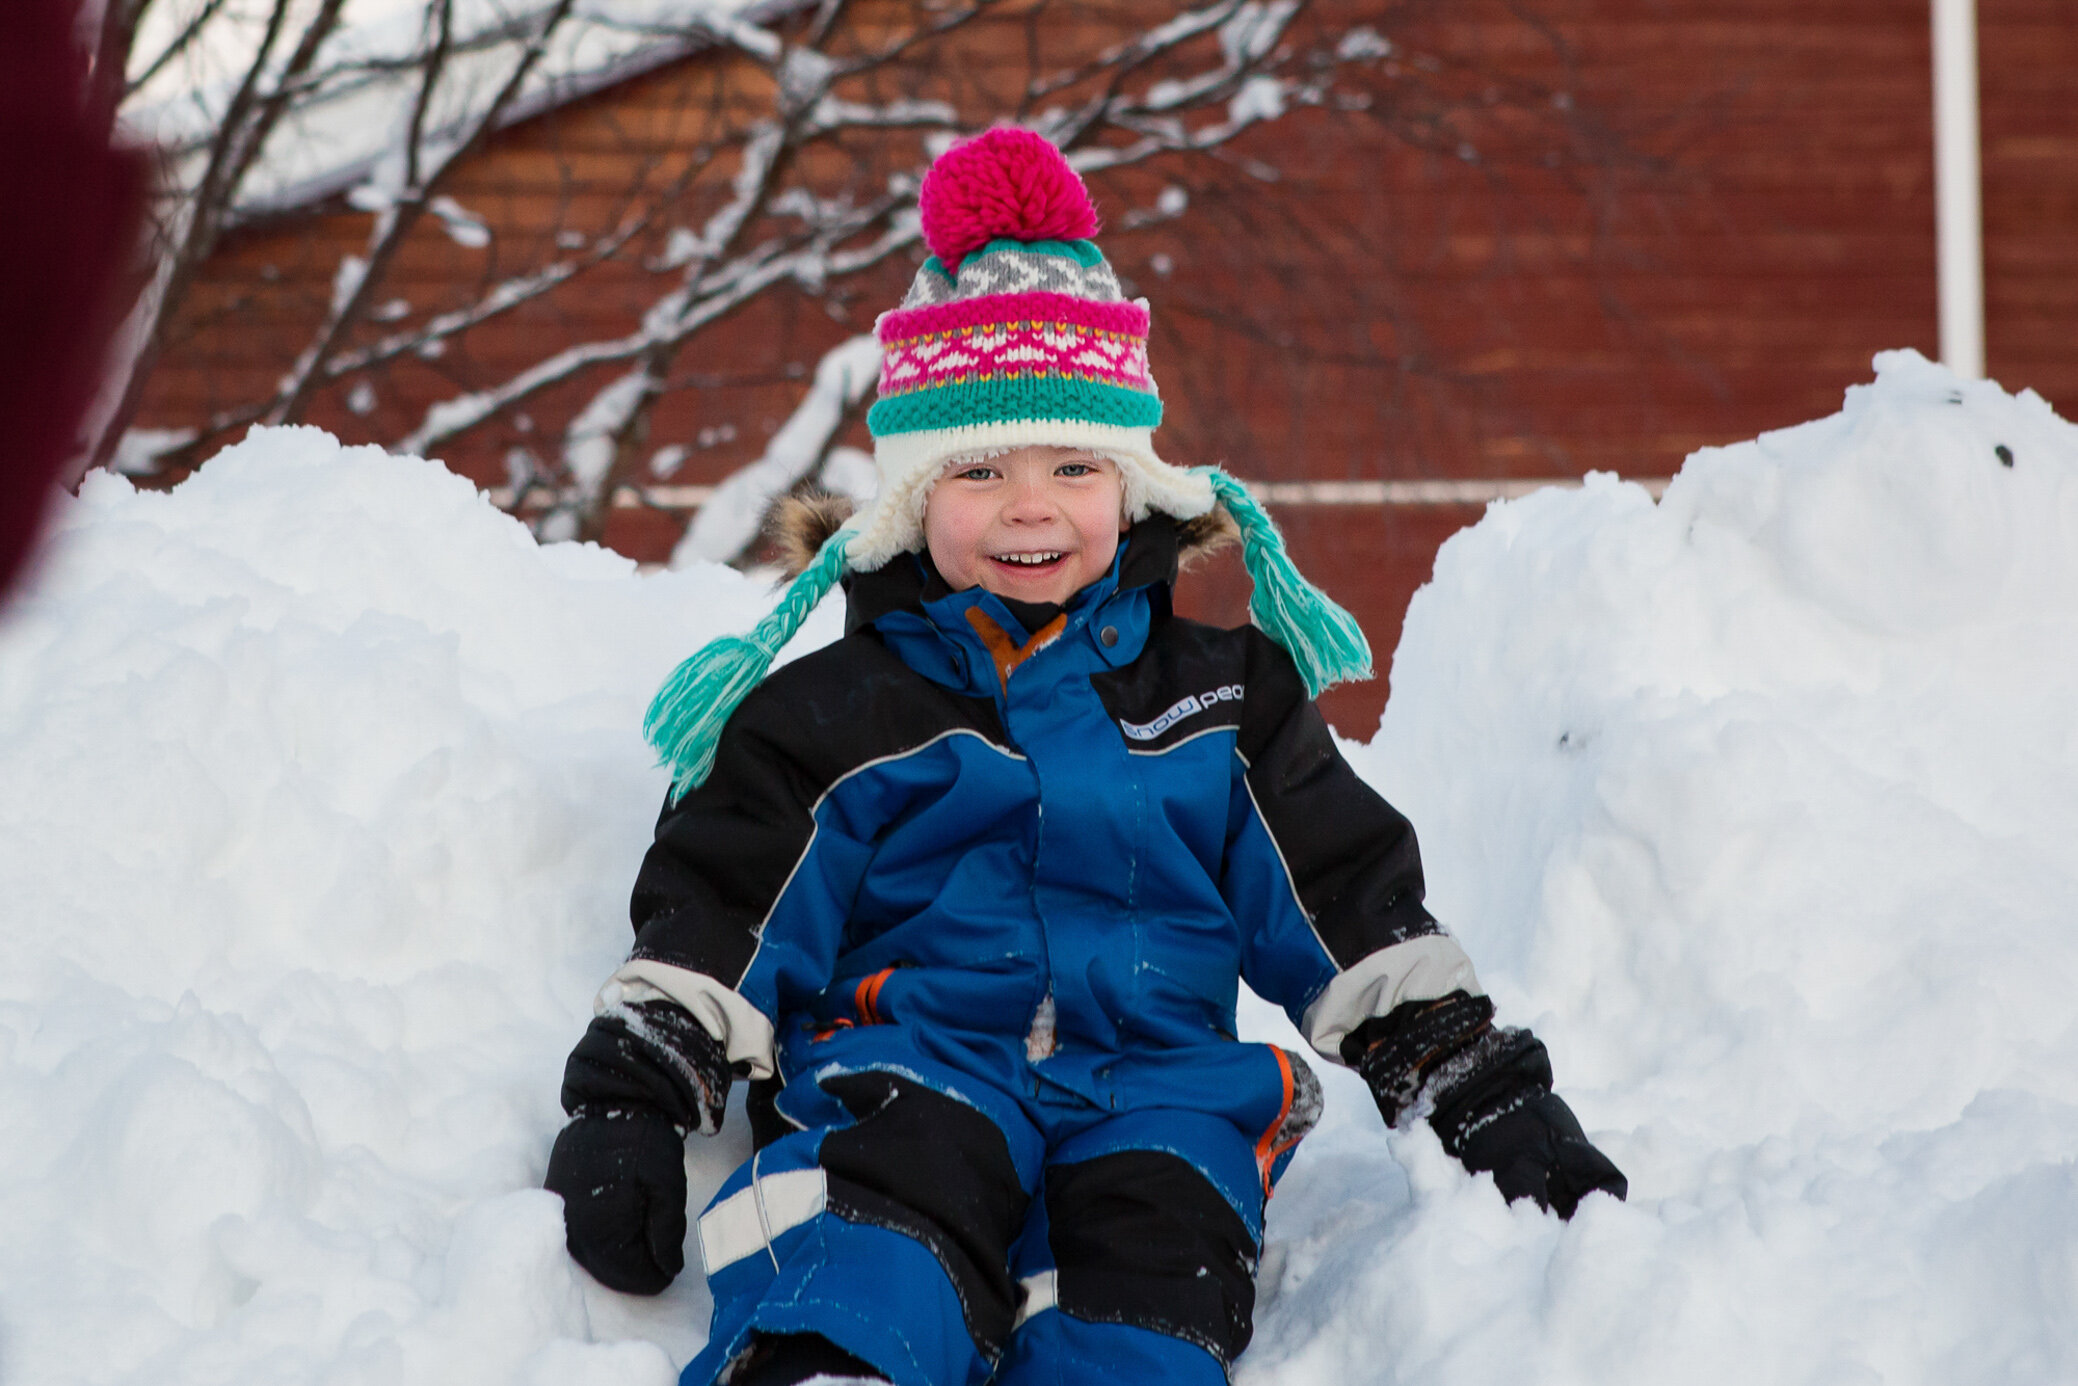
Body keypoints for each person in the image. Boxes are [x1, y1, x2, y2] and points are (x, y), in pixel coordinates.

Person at [543, 128, 1625, 1386]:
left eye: (1073, 464)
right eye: (980, 468)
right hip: (911, 1074)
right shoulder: (833, 716)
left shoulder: (1223, 702)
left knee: (1140, 1315)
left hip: (1158, 1102)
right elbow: (724, 905)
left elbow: (1343, 899)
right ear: (904, 499)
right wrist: (631, 1097)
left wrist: (1467, 1079)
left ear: (1134, 487)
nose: (1030, 504)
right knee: (860, 1246)